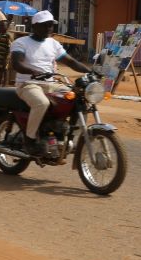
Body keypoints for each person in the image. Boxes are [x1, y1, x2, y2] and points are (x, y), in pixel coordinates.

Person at [11, 10, 90, 156]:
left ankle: (68, 135)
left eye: (51, 25)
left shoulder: (53, 43)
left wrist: (91, 72)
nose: (49, 28)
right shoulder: (21, 42)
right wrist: (34, 71)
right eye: (45, 25)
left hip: (51, 83)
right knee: (42, 103)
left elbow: (71, 61)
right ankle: (30, 139)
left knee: (79, 98)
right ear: (34, 26)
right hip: (28, 84)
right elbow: (17, 63)